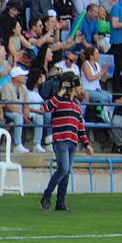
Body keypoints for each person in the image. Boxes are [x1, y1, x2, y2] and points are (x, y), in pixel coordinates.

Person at [40, 72, 92, 212]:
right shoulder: (60, 99)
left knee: (66, 172)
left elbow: (80, 125)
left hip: (72, 141)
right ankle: (46, 196)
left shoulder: (76, 103)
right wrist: (61, 91)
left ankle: (60, 202)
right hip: (61, 139)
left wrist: (86, 143)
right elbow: (46, 107)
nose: (81, 88)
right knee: (63, 169)